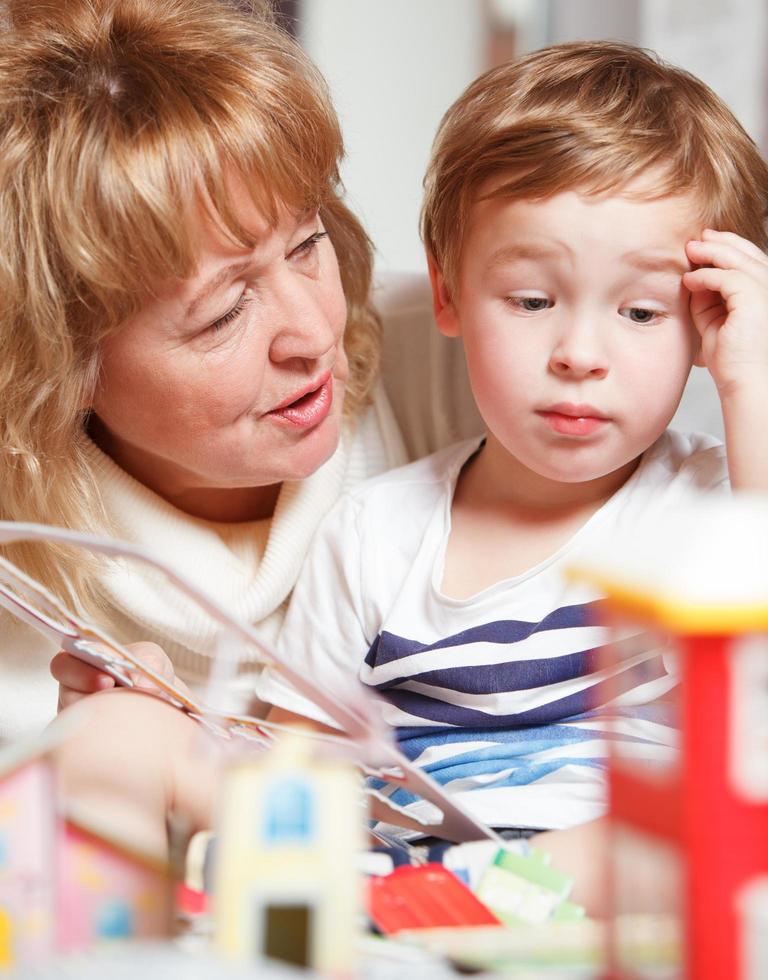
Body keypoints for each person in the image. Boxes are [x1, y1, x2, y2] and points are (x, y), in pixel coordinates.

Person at [53, 39, 768, 917]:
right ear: (449, 296)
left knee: (680, 827)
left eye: (643, 312)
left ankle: (461, 899)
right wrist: (179, 738)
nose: (581, 354)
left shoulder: (706, 505)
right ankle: (121, 936)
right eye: (533, 301)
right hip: (403, 886)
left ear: (704, 324)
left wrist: (753, 382)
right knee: (121, 734)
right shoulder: (373, 529)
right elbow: (298, 768)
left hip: (614, 875)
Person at [0, 0, 479, 741]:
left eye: (307, 243)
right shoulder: (26, 561)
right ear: (61, 362)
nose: (318, 332)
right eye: (224, 314)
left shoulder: (469, 358)